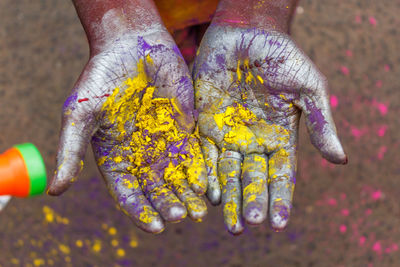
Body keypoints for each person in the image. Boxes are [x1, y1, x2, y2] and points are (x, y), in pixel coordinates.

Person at [47, 0, 347, 235]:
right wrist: (121, 20)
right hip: (151, 11)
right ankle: (182, 60)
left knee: (221, 52)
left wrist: (257, 15)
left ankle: (197, 56)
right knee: (168, 55)